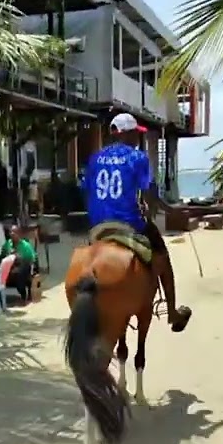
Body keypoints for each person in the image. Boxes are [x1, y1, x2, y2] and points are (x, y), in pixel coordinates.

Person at [82, 112, 192, 332]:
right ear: (129, 134)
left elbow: (86, 190)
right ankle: (171, 313)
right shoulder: (137, 157)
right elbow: (149, 194)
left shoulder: (95, 158)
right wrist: (169, 210)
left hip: (97, 224)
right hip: (128, 222)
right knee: (162, 256)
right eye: (136, 134)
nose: (138, 138)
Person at [1, 225, 37, 302]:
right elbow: (2, 255)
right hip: (10, 266)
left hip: (23, 267)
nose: (12, 234)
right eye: (11, 232)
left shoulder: (25, 245)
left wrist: (19, 257)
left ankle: (23, 294)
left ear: (19, 234)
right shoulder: (7, 244)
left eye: (15, 232)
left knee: (20, 272)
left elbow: (32, 259)